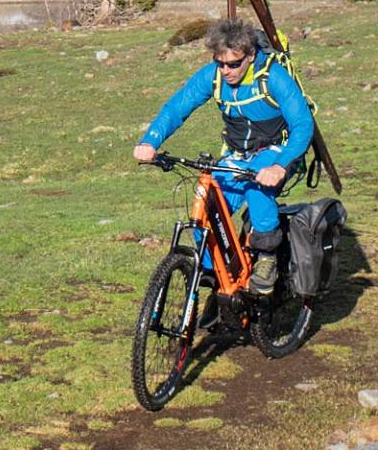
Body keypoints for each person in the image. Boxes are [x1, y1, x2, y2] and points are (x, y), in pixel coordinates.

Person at [133, 18, 314, 292]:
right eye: (221, 63)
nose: (226, 71)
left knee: (256, 186)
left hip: (276, 151)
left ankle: (266, 257)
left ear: (250, 56)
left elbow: (302, 124)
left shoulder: (273, 77)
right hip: (236, 153)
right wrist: (150, 141)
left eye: (234, 64)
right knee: (207, 206)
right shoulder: (213, 76)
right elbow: (177, 108)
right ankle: (217, 278)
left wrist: (280, 165)